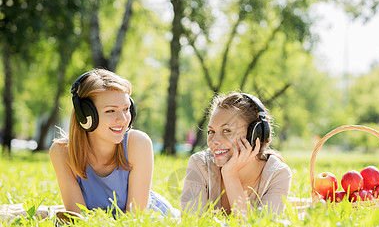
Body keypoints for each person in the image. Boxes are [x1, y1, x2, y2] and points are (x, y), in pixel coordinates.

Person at [50, 69, 178, 217]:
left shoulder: (138, 144)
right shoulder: (62, 152)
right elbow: (77, 219)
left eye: (126, 109)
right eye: (111, 111)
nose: (123, 119)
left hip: (152, 221)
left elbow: (135, 218)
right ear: (85, 115)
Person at [181, 92, 292, 216]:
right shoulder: (199, 164)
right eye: (211, 131)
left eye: (227, 131)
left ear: (254, 135)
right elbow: (190, 223)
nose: (214, 141)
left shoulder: (277, 174)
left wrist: (230, 175)